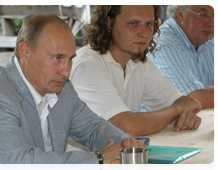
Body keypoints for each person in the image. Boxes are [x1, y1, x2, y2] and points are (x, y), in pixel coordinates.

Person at [0, 14, 147, 170]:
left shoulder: (63, 88)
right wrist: (96, 161)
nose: (66, 72)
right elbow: (19, 163)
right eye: (57, 58)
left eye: (70, 59)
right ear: (25, 52)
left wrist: (126, 143)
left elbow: (93, 129)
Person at [70, 5, 202, 137]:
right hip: (88, 157)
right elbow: (125, 127)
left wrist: (184, 113)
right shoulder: (87, 66)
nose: (143, 33)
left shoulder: (138, 62)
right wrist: (177, 111)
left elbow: (186, 103)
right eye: (133, 24)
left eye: (149, 24)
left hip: (121, 155)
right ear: (109, 23)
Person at [147, 5, 216, 109]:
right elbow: (191, 99)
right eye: (202, 15)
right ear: (180, 13)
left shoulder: (211, 38)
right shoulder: (164, 43)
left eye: (215, 15)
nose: (211, 23)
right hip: (158, 124)